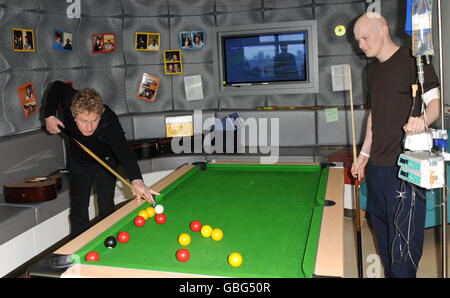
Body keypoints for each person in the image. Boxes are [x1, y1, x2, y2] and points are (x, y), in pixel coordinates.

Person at [351, 12, 440, 277]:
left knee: (403, 250)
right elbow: (374, 116)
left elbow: (434, 104)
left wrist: (422, 120)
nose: (361, 45)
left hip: (405, 170)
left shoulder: (414, 61)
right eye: (358, 41)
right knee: (386, 243)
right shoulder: (373, 69)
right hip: (377, 169)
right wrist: (364, 153)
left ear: (383, 30)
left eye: (364, 37)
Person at [44, 81, 159, 238]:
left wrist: (137, 180)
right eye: (84, 121)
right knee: (79, 209)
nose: (90, 127)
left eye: (94, 120)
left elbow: (123, 149)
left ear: (100, 114)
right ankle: (78, 249)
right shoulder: (69, 99)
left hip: (106, 162)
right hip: (79, 161)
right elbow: (57, 86)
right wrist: (49, 115)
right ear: (73, 114)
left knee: (106, 206)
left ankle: (108, 243)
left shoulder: (108, 120)